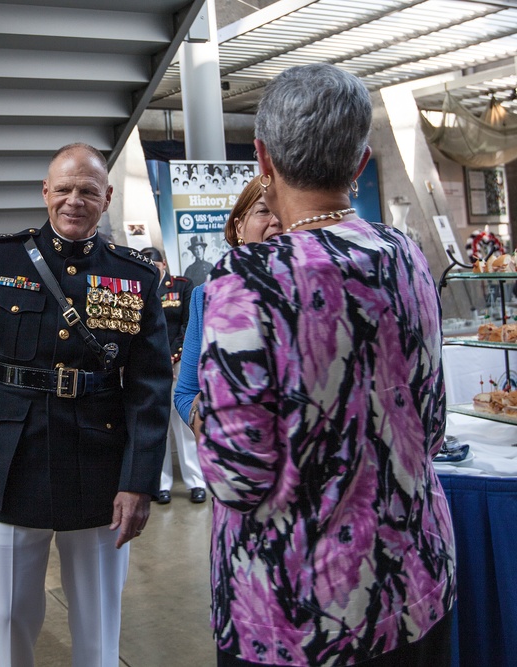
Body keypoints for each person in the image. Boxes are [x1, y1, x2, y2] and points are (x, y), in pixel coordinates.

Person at [196, 63, 455, 666]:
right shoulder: (406, 255)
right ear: (361, 162)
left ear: (261, 157)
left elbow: (237, 474)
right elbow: (432, 424)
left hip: (298, 613)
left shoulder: (248, 277)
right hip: (416, 583)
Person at [0, 143, 171, 667]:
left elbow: (149, 388)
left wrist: (138, 482)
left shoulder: (133, 276)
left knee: (97, 619)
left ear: (107, 197)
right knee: (8, 616)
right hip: (11, 457)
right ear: (45, 192)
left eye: (88, 190)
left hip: (99, 463)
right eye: (63, 189)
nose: (74, 200)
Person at [172, 179, 281, 495]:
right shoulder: (208, 296)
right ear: (239, 227)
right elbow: (186, 392)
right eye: (263, 211)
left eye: (283, 212)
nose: (276, 221)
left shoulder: (317, 292)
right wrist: (210, 431)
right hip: (236, 476)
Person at [138, 247, 200, 504]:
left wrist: (173, 355)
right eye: (147, 264)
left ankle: (195, 482)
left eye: (156, 264)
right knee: (158, 427)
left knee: (184, 425)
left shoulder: (182, 286)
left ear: (164, 263)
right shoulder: (139, 289)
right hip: (150, 366)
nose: (154, 268)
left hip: (177, 363)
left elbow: (187, 324)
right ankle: (161, 484)